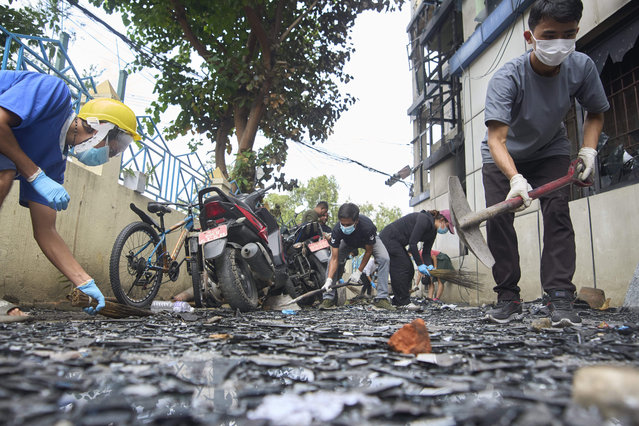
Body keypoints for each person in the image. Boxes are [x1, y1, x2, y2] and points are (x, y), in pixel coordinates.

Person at [481, 0, 609, 326]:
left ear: (577, 32)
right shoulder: (507, 78)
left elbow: (596, 111)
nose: (559, 43)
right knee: (499, 219)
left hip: (551, 149)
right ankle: (508, 296)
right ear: (530, 37)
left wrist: (589, 151)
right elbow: (496, 139)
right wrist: (515, 178)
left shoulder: (581, 67)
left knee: (557, 212)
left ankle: (559, 295)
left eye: (568, 35)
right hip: (503, 155)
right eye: (549, 35)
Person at [0, 70, 141, 315]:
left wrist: (84, 281)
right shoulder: (54, 92)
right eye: (113, 148)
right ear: (100, 127)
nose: (110, 156)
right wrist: (34, 174)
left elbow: (46, 231)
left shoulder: (55, 164)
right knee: (5, 173)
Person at [319, 202, 394, 310]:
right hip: (348, 242)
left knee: (384, 258)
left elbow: (368, 251)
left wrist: (359, 271)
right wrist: (329, 280)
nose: (345, 227)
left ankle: (381, 298)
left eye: (348, 225)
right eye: (342, 224)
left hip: (367, 241)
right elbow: (335, 259)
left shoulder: (368, 227)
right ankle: (328, 298)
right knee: (330, 259)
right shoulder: (337, 230)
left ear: (356, 221)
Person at [379, 210, 454, 309]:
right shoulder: (424, 220)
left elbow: (426, 252)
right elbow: (413, 243)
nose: (446, 230)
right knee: (403, 266)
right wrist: (420, 265)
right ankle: (402, 302)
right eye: (447, 226)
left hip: (398, 243)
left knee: (409, 270)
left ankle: (399, 300)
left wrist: (429, 266)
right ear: (441, 220)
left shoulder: (433, 232)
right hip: (389, 238)